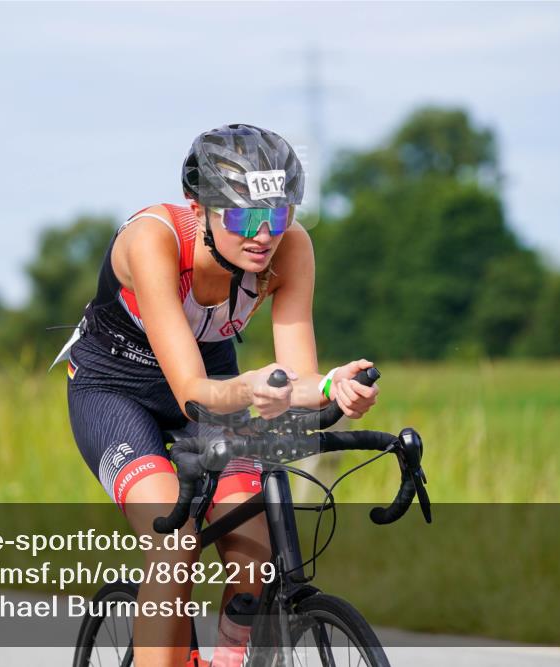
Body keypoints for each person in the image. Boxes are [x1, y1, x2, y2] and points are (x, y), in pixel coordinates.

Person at [56, 123, 379, 667]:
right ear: (198, 206)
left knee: (256, 553)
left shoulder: (291, 249)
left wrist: (331, 386)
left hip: (218, 383)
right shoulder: (153, 240)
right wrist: (254, 385)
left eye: (278, 215)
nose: (264, 234)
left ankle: (232, 657)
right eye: (245, 216)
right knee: (175, 539)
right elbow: (191, 393)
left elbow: (298, 378)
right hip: (117, 391)